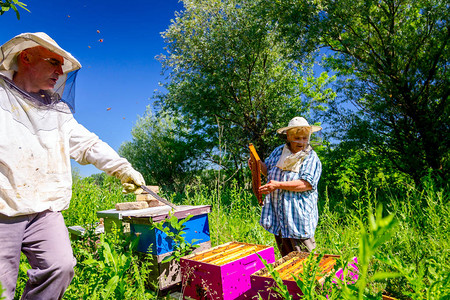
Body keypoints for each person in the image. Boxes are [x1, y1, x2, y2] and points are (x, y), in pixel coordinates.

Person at [0, 32, 145, 300]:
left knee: (60, 266)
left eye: (62, 66)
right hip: (2, 209)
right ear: (27, 56)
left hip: (45, 207)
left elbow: (88, 145)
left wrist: (123, 168)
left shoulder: (58, 112)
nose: (59, 71)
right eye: (53, 62)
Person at [258, 117, 322, 256]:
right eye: (297, 137)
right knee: (287, 262)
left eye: (305, 138)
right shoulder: (278, 151)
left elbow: (306, 184)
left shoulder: (311, 157)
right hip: (279, 217)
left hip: (298, 218)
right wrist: (257, 164)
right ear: (288, 136)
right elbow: (267, 170)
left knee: (307, 262)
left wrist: (278, 185)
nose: (301, 142)